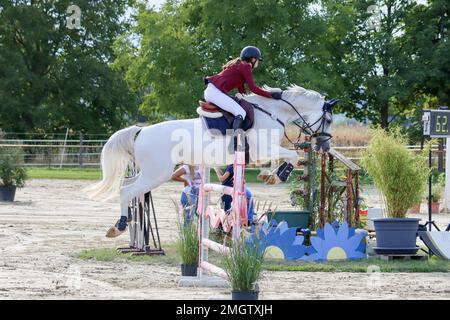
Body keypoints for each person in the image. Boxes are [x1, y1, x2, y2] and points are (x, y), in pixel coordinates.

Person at [204, 46, 282, 143]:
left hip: (213, 91)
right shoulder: (246, 66)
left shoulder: (241, 65)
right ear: (253, 59)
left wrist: (252, 101)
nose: (258, 63)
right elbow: (254, 88)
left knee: (239, 109)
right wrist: (271, 95)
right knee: (240, 113)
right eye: (258, 60)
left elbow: (242, 92)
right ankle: (236, 144)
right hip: (215, 93)